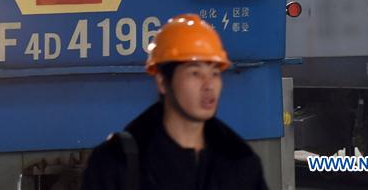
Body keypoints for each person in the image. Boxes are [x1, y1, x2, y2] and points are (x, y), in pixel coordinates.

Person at [81, 14, 268, 190]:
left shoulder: (240, 161)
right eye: (195, 73)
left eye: (215, 74)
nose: (209, 85)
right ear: (163, 81)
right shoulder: (118, 162)